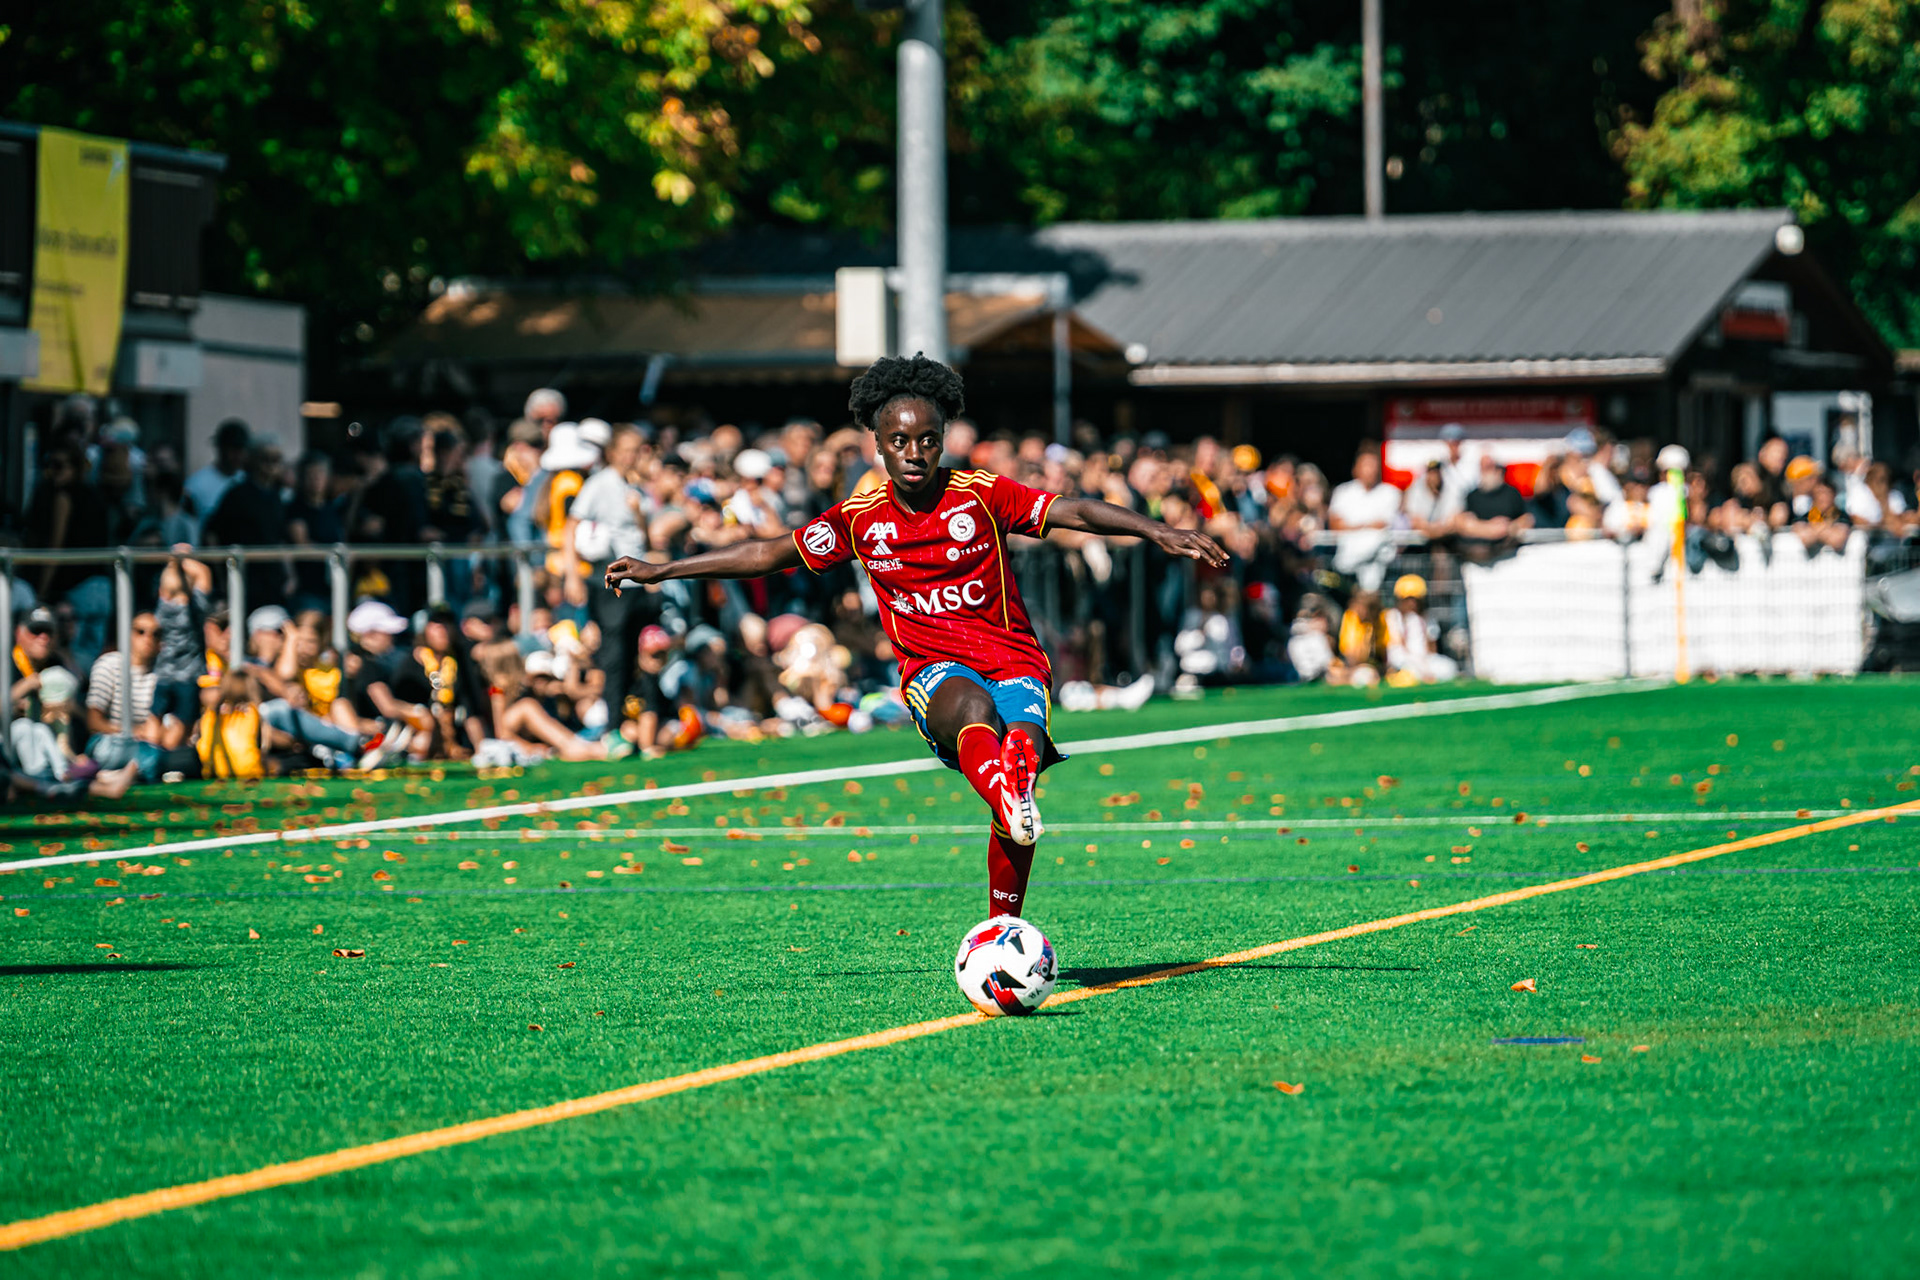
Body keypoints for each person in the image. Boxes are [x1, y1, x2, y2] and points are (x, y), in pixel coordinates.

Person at [604, 354, 1225, 921]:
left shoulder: (981, 495)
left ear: (942, 441)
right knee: (975, 712)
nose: (914, 451)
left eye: (927, 439)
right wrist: (662, 569)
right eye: (899, 440)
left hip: (1016, 662)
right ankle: (1009, 802)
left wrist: (1153, 530)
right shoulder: (858, 520)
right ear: (877, 443)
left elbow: (1073, 511)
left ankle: (1002, 924)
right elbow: (768, 553)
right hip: (934, 671)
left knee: (1024, 756)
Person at [185, 419, 251, 534]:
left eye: (241, 450)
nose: (238, 456)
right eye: (233, 450)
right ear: (220, 449)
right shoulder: (197, 484)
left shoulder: (247, 481)